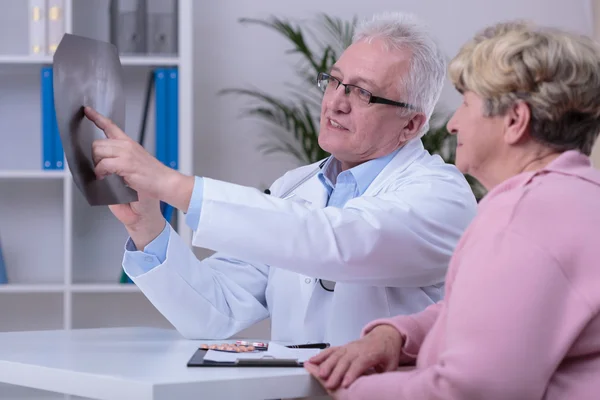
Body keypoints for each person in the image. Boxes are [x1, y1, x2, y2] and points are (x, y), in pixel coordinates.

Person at [84, 12, 477, 345]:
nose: (335, 102)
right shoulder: (296, 187)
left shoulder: (441, 196)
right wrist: (148, 227)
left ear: (411, 124)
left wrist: (171, 184)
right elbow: (215, 311)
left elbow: (339, 241)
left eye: (362, 93)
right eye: (335, 81)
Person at [304, 20, 600, 399]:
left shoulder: (520, 220)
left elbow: (471, 391)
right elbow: (500, 313)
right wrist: (398, 334)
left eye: (466, 102)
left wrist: (347, 391)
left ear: (514, 121)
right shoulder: (575, 200)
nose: (454, 124)